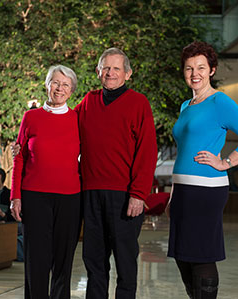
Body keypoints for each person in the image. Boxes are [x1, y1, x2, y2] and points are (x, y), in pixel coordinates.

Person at [168, 41, 238, 299]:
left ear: (212, 70)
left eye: (201, 67)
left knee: (200, 254)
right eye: (189, 68)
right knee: (182, 254)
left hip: (206, 190)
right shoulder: (186, 106)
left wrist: (226, 162)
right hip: (183, 190)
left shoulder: (220, 101)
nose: (194, 73)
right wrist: (172, 194)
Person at [75, 48, 157, 299]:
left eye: (116, 68)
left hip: (125, 196)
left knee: (125, 262)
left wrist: (139, 194)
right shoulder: (87, 102)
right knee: (94, 261)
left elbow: (147, 152)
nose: (110, 73)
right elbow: (63, 129)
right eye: (105, 68)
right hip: (91, 194)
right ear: (98, 71)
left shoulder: (139, 103)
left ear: (128, 74)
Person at [9, 65, 82, 299]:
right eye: (55, 83)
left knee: (63, 260)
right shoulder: (31, 117)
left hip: (70, 197)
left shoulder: (78, 119)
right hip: (34, 196)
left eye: (65, 85)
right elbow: (18, 157)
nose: (59, 88)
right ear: (47, 85)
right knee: (36, 260)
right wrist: (15, 197)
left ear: (71, 91)